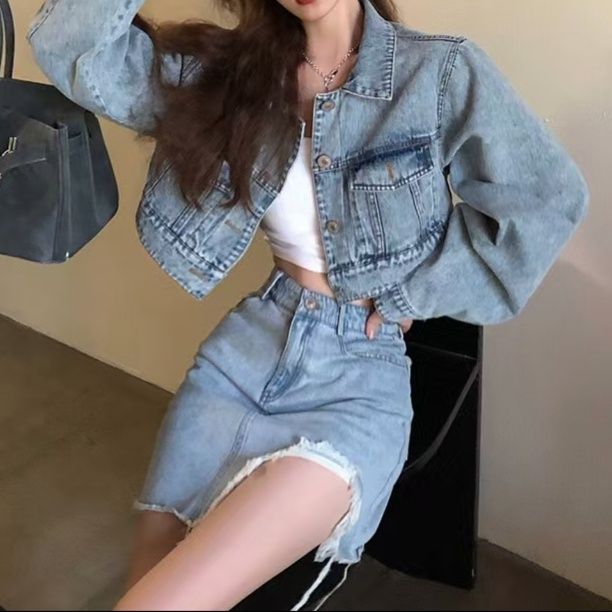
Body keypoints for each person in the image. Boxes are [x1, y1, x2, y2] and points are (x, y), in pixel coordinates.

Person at [25, 0, 589, 609]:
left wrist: (413, 293)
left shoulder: (439, 73)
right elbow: (71, 48)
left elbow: (546, 199)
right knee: (147, 585)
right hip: (239, 360)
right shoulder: (231, 76)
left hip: (355, 383)